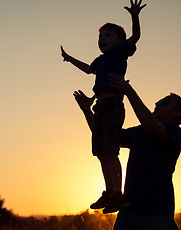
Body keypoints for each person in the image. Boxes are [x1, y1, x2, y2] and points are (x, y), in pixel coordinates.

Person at [74, 72, 181, 230]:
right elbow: (107, 135)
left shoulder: (174, 132)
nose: (157, 103)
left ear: (176, 114)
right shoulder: (139, 131)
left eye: (164, 102)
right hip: (127, 214)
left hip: (156, 216)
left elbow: (149, 123)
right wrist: (87, 111)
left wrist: (129, 91)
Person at [61, 0, 146, 212]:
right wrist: (70, 59)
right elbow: (88, 70)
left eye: (107, 35)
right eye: (100, 36)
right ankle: (109, 192)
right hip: (99, 107)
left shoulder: (119, 52)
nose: (102, 39)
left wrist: (134, 16)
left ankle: (118, 193)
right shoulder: (100, 60)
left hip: (112, 106)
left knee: (110, 151)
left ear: (119, 40)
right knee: (100, 152)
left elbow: (135, 37)